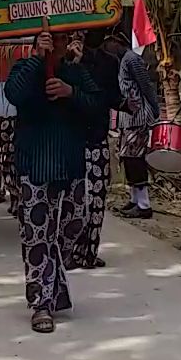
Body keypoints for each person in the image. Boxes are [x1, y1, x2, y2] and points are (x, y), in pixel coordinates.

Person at [5, 31, 101, 334]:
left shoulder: (76, 71)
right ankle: (41, 303)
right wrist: (37, 59)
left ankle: (51, 280)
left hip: (70, 162)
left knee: (74, 224)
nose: (57, 44)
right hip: (34, 163)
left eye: (61, 39)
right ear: (38, 42)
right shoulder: (24, 67)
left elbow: (98, 106)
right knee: (36, 236)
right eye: (51, 39)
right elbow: (13, 95)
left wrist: (71, 92)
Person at [68, 30, 121, 270]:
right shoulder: (65, 58)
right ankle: (70, 251)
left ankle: (88, 252)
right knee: (73, 199)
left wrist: (129, 105)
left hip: (96, 136)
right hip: (72, 138)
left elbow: (111, 97)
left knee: (96, 200)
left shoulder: (109, 62)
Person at [111, 34, 159, 219]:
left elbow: (146, 85)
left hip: (137, 116)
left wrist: (154, 108)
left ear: (117, 42)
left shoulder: (132, 59)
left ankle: (144, 204)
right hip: (127, 118)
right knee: (128, 158)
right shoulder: (121, 60)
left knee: (135, 159)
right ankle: (134, 199)